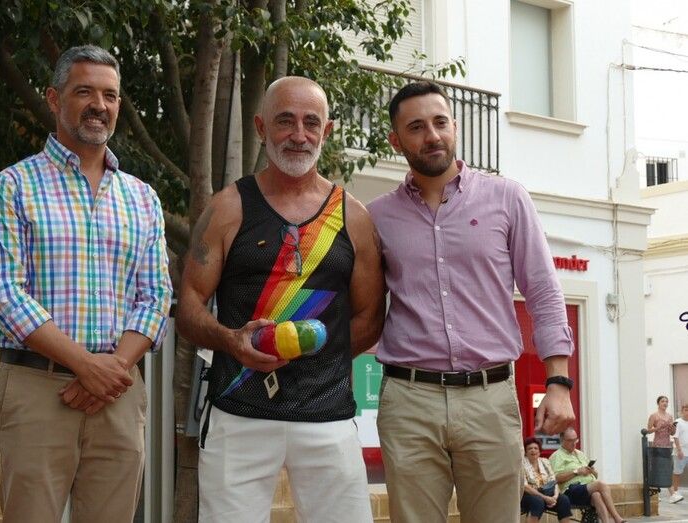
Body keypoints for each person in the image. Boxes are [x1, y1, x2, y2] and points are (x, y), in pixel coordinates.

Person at [366, 80, 577, 523]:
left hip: (489, 398)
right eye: (416, 127)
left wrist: (558, 384)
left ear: (455, 127)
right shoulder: (378, 217)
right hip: (409, 401)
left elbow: (542, 290)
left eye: (440, 122)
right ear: (395, 140)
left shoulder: (507, 198)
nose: (432, 135)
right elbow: (363, 308)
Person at [176, 76, 384, 522]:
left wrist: (319, 357)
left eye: (311, 122)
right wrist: (232, 341)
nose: (298, 134)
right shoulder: (228, 207)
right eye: (285, 120)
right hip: (239, 412)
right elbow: (188, 306)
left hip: (327, 415)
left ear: (327, 131)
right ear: (261, 127)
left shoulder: (354, 216)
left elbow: (371, 317)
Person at [0, 45, 172, 522]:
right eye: (84, 92)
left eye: (110, 96)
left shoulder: (142, 198)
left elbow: (156, 296)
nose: (98, 105)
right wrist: (85, 366)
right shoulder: (14, 186)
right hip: (37, 389)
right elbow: (4, 295)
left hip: (118, 394)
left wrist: (110, 371)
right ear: (54, 98)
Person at [550, 428, 626, 523]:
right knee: (601, 485)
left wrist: (592, 471)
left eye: (575, 440)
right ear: (562, 440)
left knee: (596, 495)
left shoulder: (580, 453)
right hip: (570, 490)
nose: (574, 443)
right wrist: (576, 471)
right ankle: (617, 518)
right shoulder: (557, 456)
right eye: (570, 440)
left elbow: (596, 475)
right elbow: (556, 478)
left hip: (586, 488)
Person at [521, 437, 572, 523]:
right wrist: (545, 498)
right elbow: (526, 487)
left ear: (539, 451)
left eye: (536, 448)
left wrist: (555, 497)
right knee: (538, 501)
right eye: (530, 448)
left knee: (564, 499)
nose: (533, 450)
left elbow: (554, 481)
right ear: (526, 452)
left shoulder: (545, 462)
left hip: (547, 494)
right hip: (528, 495)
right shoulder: (521, 464)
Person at [670, 404, 688, 503]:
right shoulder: (677, 422)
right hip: (681, 452)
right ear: (682, 411)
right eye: (686, 410)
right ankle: (675, 492)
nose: (687, 412)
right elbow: (675, 437)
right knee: (677, 472)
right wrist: (679, 450)